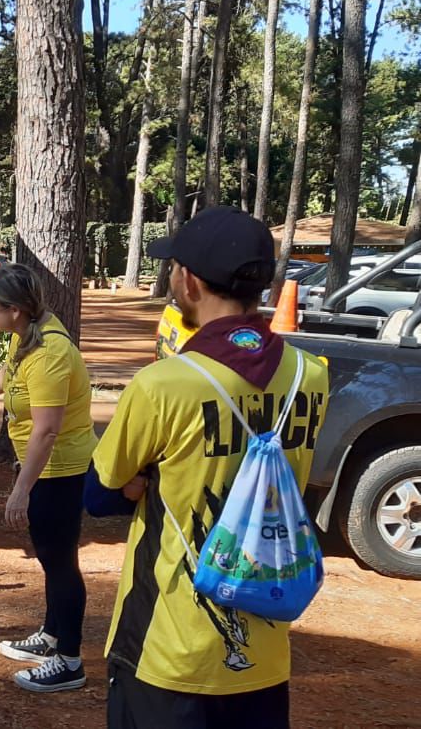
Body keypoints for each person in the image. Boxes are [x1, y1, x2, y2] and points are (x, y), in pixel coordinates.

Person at [93, 207, 329, 729]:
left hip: (169, 644)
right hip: (267, 637)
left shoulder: (163, 385)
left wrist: (147, 480)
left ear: (189, 280)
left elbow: (100, 492)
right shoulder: (310, 375)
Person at [0, 262, 97, 692]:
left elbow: (46, 431)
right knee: (50, 557)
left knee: (61, 562)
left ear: (16, 309)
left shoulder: (49, 353)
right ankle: (51, 635)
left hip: (58, 469)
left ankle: (69, 661)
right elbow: (7, 379)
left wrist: (20, 490)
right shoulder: (27, 336)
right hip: (43, 466)